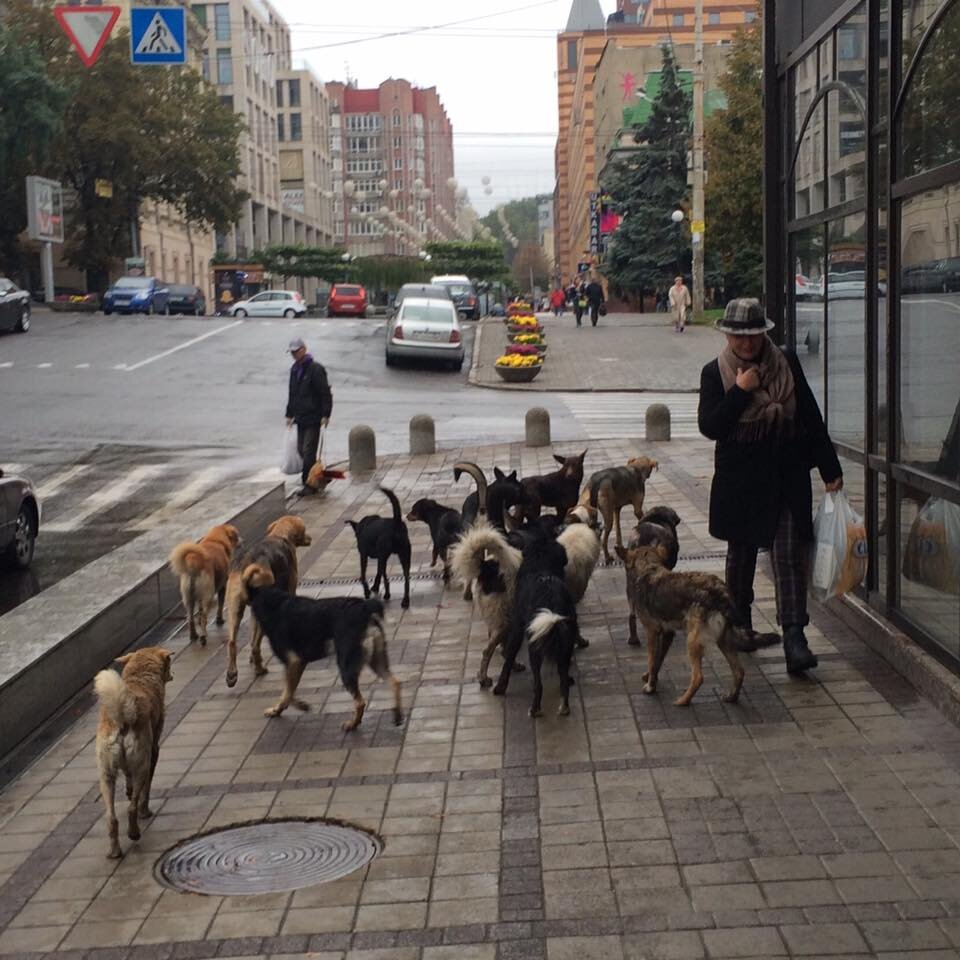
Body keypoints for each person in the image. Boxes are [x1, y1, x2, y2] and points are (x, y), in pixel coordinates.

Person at [698, 299, 843, 674]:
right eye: (739, 336)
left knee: (788, 555)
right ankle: (740, 624)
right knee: (741, 557)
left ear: (764, 333)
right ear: (728, 335)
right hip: (740, 482)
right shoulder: (715, 372)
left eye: (753, 335)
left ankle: (795, 638)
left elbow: (809, 415)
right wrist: (740, 391)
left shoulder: (787, 363)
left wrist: (830, 468)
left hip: (786, 478)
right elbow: (711, 426)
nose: (747, 344)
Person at [285, 336, 333, 496]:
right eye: (292, 353)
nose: (294, 355)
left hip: (313, 417)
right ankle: (315, 479)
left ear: (304, 350)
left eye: (296, 352)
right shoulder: (294, 370)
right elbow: (293, 393)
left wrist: (326, 414)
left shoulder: (315, 369)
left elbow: (325, 393)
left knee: (308, 451)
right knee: (301, 449)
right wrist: (289, 413)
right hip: (300, 417)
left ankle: (309, 484)